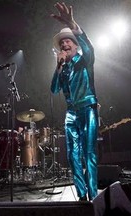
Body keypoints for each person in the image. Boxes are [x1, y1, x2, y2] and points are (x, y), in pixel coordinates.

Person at [50, 2, 99, 201]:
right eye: (62, 43)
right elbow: (54, 89)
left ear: (75, 44)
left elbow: (89, 46)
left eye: (68, 41)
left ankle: (94, 195)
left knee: (88, 154)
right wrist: (58, 67)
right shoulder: (64, 67)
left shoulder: (85, 59)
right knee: (72, 156)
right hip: (70, 113)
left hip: (87, 108)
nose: (64, 45)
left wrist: (73, 24)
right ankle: (81, 195)